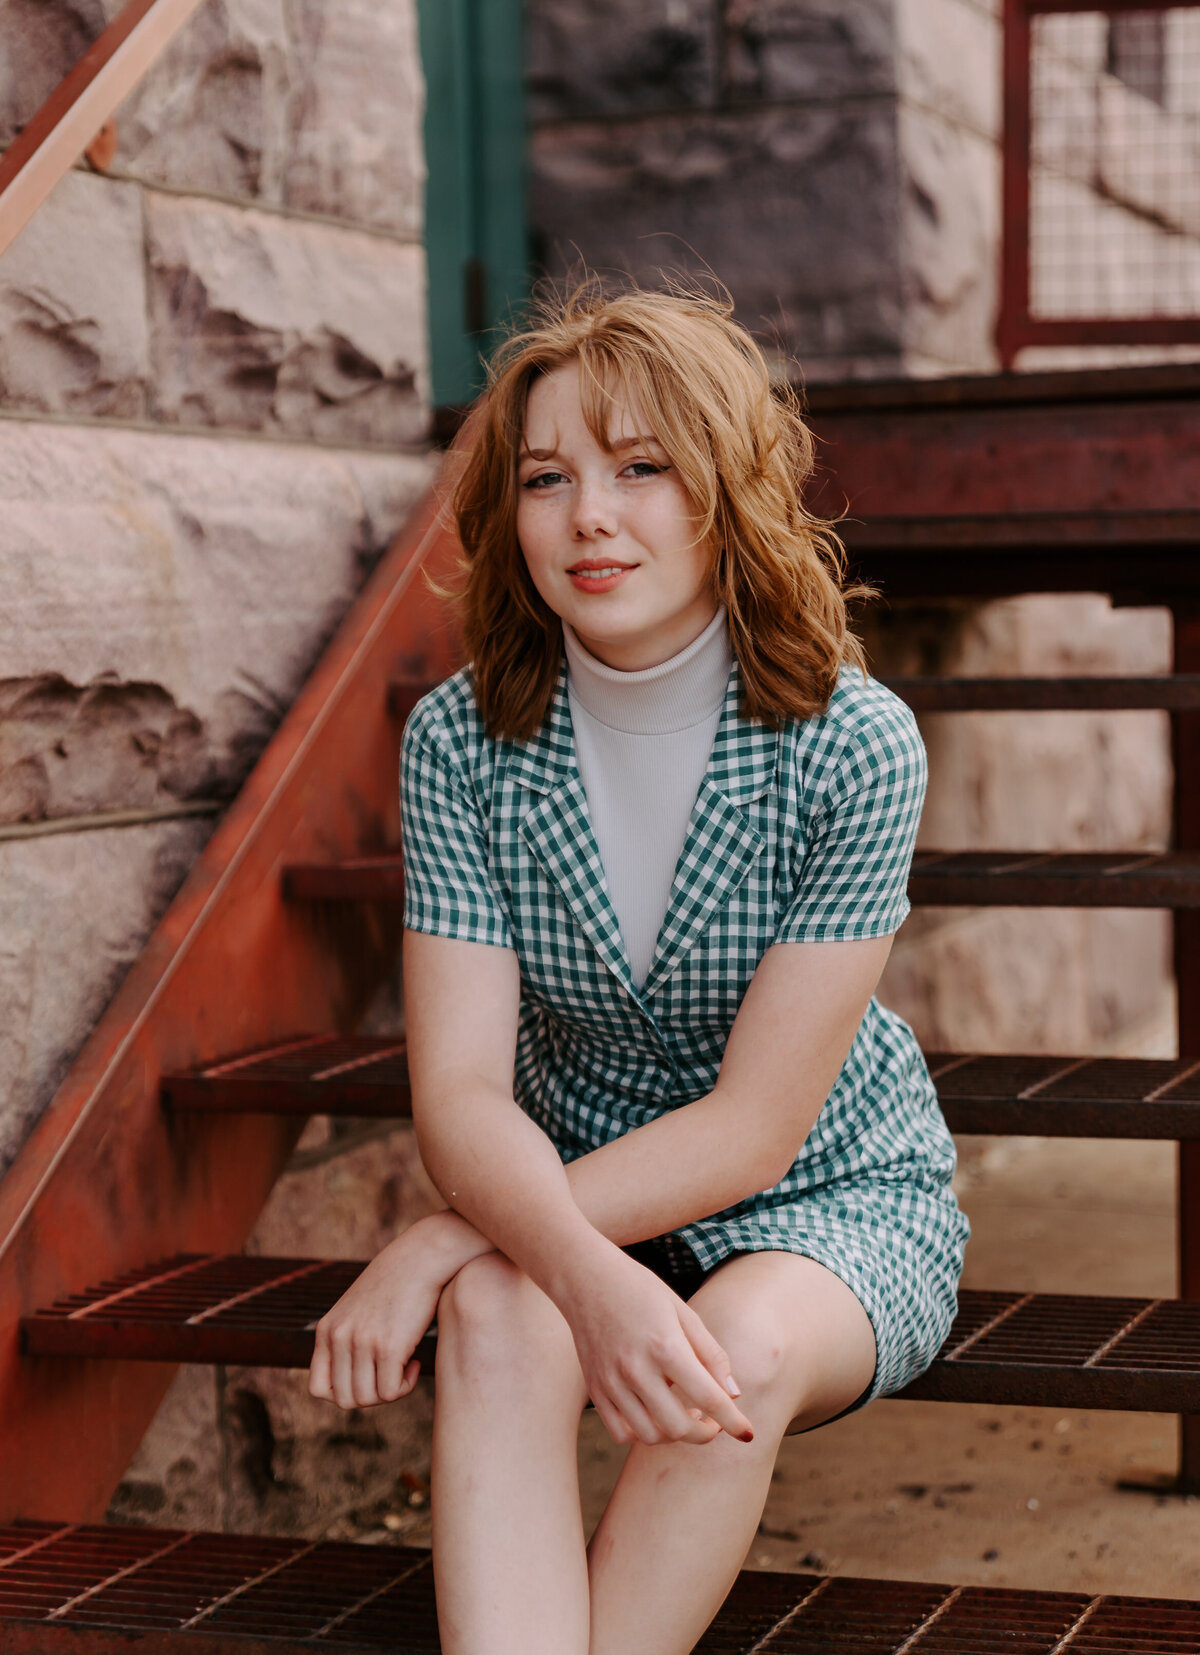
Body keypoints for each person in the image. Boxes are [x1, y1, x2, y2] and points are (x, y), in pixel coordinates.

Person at [308, 285, 969, 1655]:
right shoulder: (463, 742)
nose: (589, 515)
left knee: (738, 1345)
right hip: (566, 1182)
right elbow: (466, 1091)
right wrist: (553, 1259)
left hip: (828, 1195)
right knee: (498, 1314)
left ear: (724, 491)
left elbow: (755, 1124)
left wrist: (457, 1229)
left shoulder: (853, 743)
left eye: (641, 468)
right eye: (547, 477)